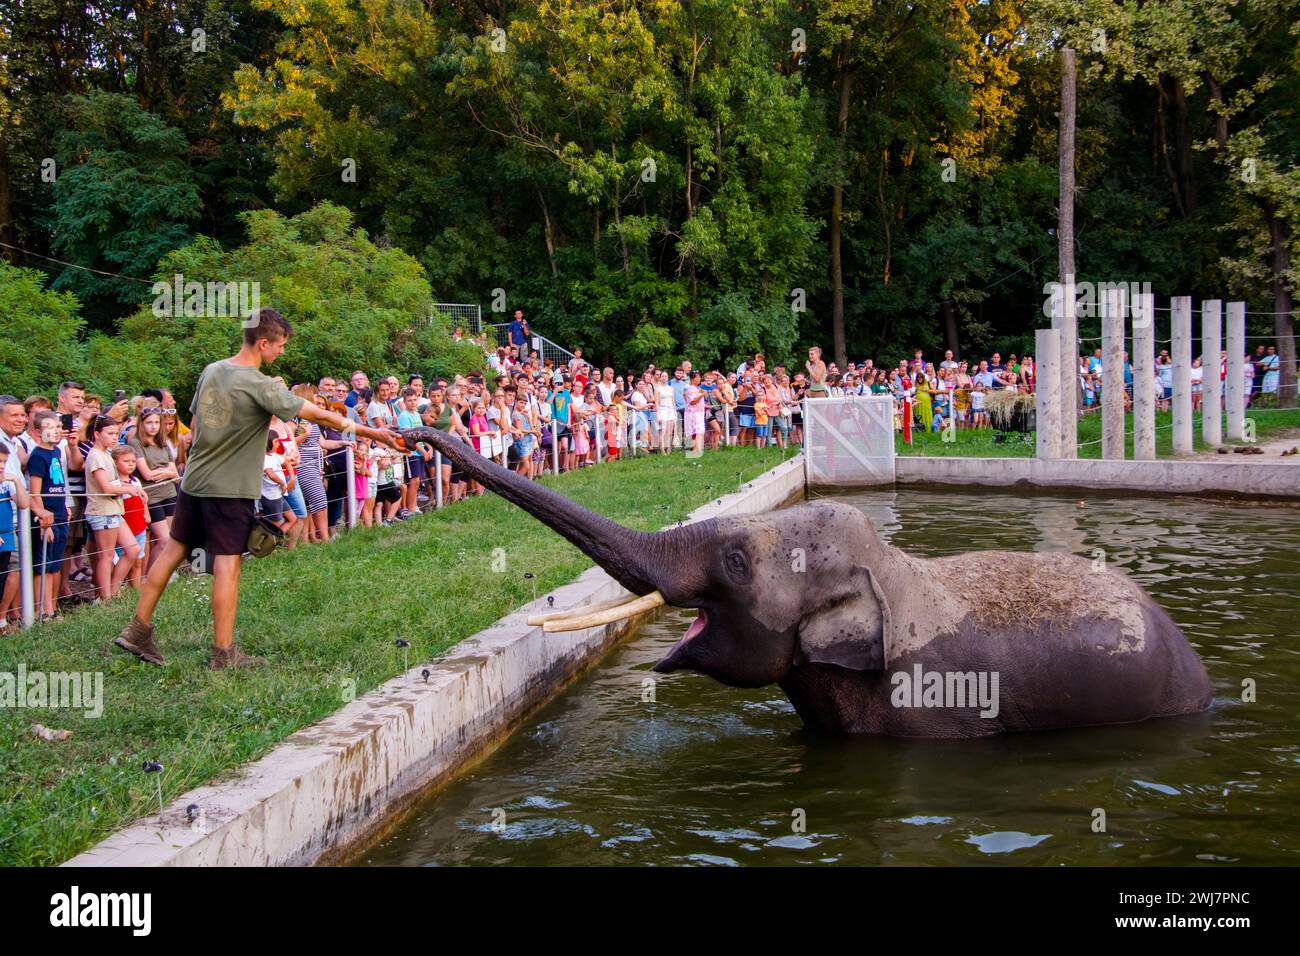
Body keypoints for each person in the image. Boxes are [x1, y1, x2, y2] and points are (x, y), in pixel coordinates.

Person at [112, 308, 402, 669]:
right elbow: (322, 416)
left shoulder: (212, 370)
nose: (281, 352)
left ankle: (137, 630)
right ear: (263, 343)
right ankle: (224, 652)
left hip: (194, 481)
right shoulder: (259, 384)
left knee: (173, 551)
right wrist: (374, 433)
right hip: (229, 488)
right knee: (228, 565)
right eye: (279, 346)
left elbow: (198, 422)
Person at [85, 415, 145, 602]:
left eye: (116, 433)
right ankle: (106, 597)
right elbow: (106, 487)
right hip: (102, 512)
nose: (114, 437)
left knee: (133, 549)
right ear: (96, 434)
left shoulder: (107, 455)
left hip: (114, 510)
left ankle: (114, 589)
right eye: (110, 433)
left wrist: (134, 488)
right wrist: (130, 489)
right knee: (106, 555)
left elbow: (115, 483)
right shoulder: (95, 456)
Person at [26, 411, 70, 619]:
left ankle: (51, 608)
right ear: (37, 431)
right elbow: (35, 492)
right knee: (43, 565)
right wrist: (45, 522)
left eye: (58, 427)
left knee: (54, 565)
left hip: (61, 513)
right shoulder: (37, 456)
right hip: (47, 518)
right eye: (50, 428)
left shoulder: (56, 452)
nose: (56, 431)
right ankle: (40, 611)